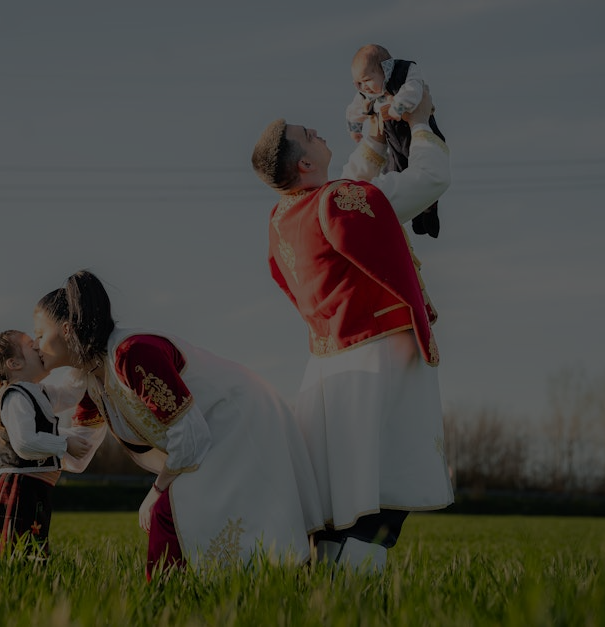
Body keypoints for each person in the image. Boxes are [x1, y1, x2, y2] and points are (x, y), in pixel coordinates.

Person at [251, 84, 454, 571]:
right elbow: (428, 179)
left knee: (341, 499)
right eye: (308, 133)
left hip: (329, 366)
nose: (318, 131)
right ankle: (352, 597)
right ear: (304, 162)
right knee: (383, 496)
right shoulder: (337, 201)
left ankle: (325, 593)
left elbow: (345, 196)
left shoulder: (284, 217)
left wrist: (375, 143)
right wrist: (421, 122)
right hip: (381, 357)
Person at [32, 270, 324, 579]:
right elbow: (79, 449)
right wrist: (24, 435)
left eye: (39, 335)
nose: (36, 344)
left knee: (169, 511)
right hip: (207, 435)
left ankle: (167, 595)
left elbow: (190, 436)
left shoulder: (133, 355)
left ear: (66, 330)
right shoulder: (91, 377)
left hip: (240, 421)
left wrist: (157, 490)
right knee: (184, 515)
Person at [0, 329, 100, 561]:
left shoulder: (38, 392)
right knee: (16, 553)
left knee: (29, 549)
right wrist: (64, 443)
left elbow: (70, 394)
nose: (39, 347)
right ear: (14, 363)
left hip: (35, 488)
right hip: (20, 489)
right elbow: (25, 442)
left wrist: (80, 360)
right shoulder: (16, 397)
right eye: (31, 345)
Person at [345, 43, 446, 238]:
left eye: (367, 80)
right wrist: (355, 128)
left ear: (385, 69)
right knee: (394, 173)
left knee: (424, 168)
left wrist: (398, 107)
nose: (364, 87)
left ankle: (429, 209)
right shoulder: (367, 93)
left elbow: (413, 90)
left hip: (414, 133)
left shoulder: (404, 72)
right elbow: (355, 109)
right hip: (393, 141)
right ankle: (415, 210)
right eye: (358, 83)